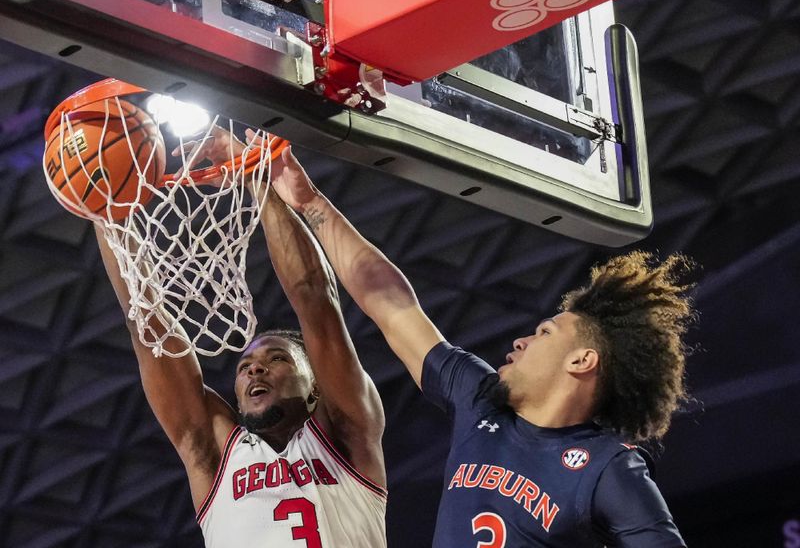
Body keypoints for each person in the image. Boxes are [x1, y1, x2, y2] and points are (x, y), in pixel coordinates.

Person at [268, 145, 694, 548]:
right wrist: (310, 203)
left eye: (545, 333)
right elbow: (391, 305)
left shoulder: (608, 468)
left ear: (582, 361)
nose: (522, 340)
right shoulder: (482, 401)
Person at [94, 139, 388, 547]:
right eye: (244, 366)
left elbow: (315, 298)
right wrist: (109, 213)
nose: (254, 368)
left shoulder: (347, 433)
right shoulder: (216, 453)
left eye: (278, 358)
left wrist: (254, 176)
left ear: (315, 386)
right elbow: (150, 331)